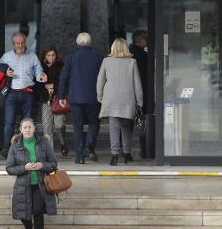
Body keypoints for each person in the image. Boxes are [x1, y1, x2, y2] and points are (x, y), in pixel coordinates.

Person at [6, 118, 58, 229]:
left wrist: (42, 165)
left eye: (30, 127)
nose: (28, 130)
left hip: (41, 185)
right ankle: (28, 228)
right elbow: (9, 168)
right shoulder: (15, 146)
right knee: (25, 216)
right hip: (23, 186)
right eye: (25, 127)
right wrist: (24, 167)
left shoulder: (44, 143)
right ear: (21, 130)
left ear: (34, 128)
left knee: (38, 213)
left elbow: (53, 164)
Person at [0, 32, 47, 158]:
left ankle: (28, 147)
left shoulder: (32, 56)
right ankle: (6, 148)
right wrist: (5, 72)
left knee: (28, 122)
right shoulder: (7, 56)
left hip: (27, 93)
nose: (20, 45)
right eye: (17, 43)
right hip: (12, 93)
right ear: (13, 44)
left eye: (22, 43)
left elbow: (38, 71)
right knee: (9, 122)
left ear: (25, 42)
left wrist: (41, 76)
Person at [58, 33, 104, 164]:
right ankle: (90, 145)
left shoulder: (71, 57)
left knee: (77, 126)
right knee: (94, 123)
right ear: (90, 43)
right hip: (94, 97)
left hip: (76, 98)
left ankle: (80, 156)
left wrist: (61, 95)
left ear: (77, 43)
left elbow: (64, 77)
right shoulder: (98, 58)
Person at [97, 38, 143, 166]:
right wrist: (140, 101)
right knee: (127, 127)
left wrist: (100, 96)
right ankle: (127, 153)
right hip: (127, 98)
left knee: (114, 127)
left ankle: (114, 155)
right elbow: (137, 84)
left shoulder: (106, 61)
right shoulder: (132, 62)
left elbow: (100, 80)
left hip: (111, 98)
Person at [36, 46, 68, 157]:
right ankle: (50, 152)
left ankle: (63, 143)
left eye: (53, 55)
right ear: (45, 57)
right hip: (45, 100)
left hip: (58, 100)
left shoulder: (61, 66)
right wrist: (44, 87)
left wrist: (54, 86)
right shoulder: (40, 68)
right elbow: (37, 84)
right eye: (49, 55)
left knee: (59, 125)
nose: (51, 57)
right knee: (47, 127)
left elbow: (65, 83)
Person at [129, 30, 149, 158]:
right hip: (140, 92)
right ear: (141, 40)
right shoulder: (142, 55)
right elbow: (145, 75)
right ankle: (145, 149)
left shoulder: (129, 54)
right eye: (146, 39)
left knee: (127, 123)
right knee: (141, 122)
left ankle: (125, 150)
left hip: (128, 93)